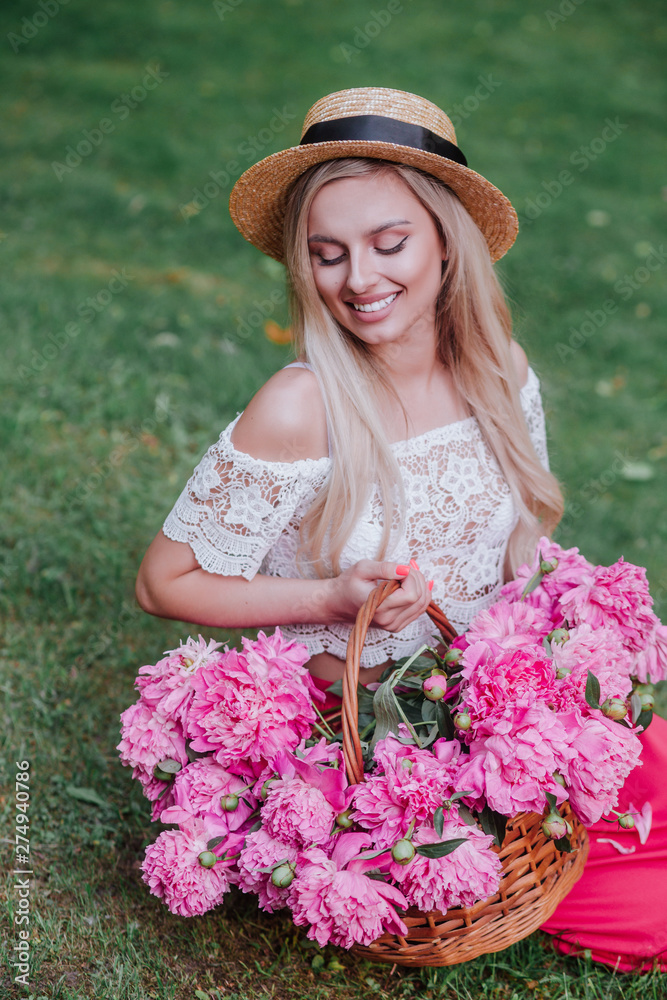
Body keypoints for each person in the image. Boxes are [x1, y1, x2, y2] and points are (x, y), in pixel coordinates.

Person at [135, 87, 667, 972]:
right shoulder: (300, 406)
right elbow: (164, 583)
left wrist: (546, 688)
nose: (359, 279)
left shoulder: (497, 372)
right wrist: (333, 597)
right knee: (649, 912)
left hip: (490, 702)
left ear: (445, 241)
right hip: (371, 744)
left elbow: (512, 563)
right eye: (329, 254)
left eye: (389, 244)